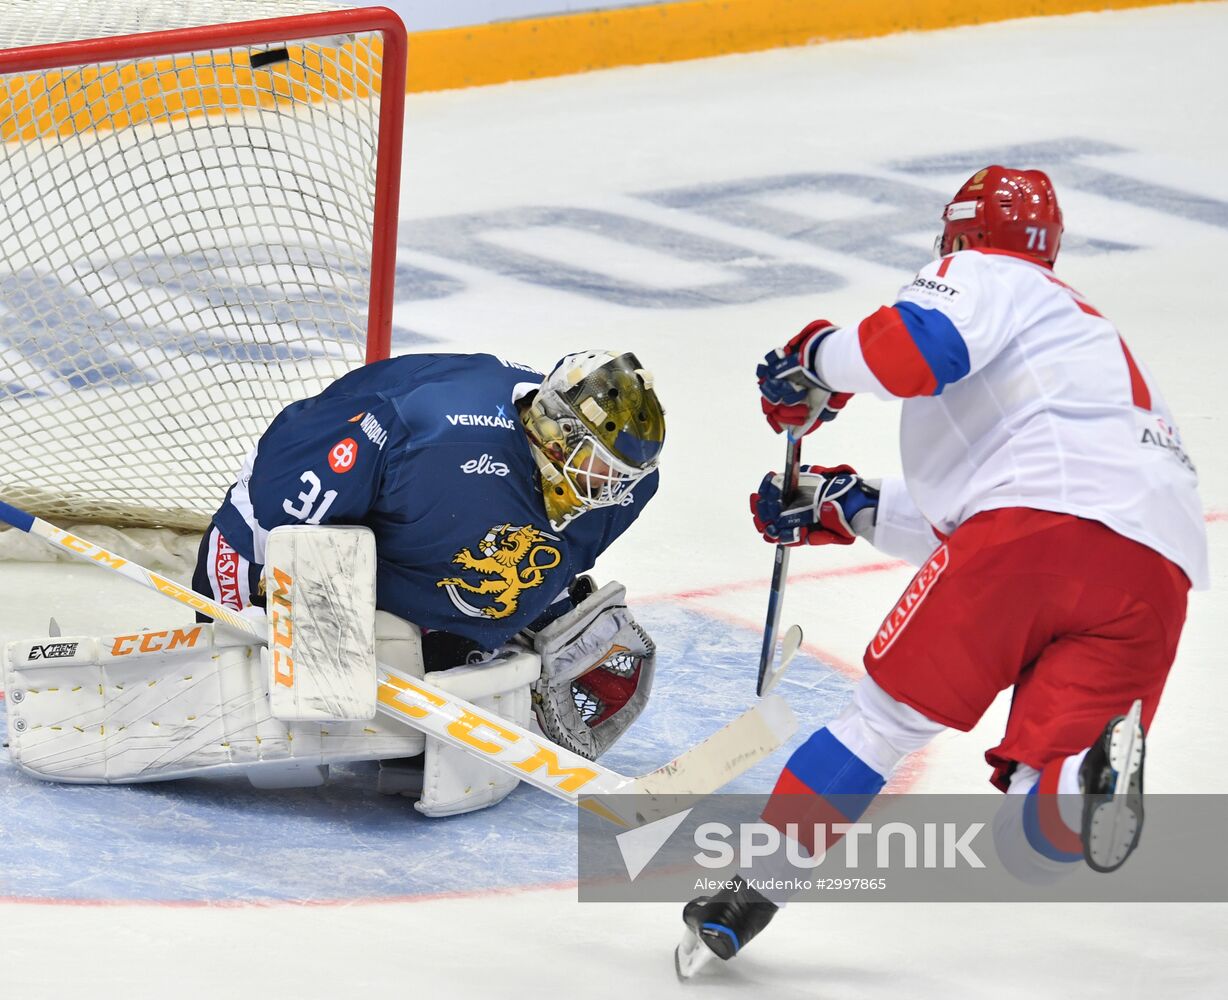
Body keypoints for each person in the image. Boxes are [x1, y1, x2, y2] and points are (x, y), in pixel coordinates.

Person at [680, 166, 1209, 964]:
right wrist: (845, 502)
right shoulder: (1082, 341)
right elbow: (975, 531)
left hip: (1036, 530)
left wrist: (815, 360)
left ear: (959, 235)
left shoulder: (985, 276)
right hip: (1155, 571)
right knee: (1035, 836)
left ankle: (751, 890)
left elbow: (916, 352)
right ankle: (1088, 776)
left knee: (883, 723)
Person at [193, 349, 665, 803]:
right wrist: (253, 607)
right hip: (306, 506)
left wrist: (544, 615)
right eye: (598, 468)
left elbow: (555, 551)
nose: (610, 489)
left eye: (622, 476)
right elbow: (275, 521)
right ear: (553, 432)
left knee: (429, 723)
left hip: (431, 554)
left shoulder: (626, 492)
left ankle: (437, 646)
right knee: (262, 716)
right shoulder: (424, 429)